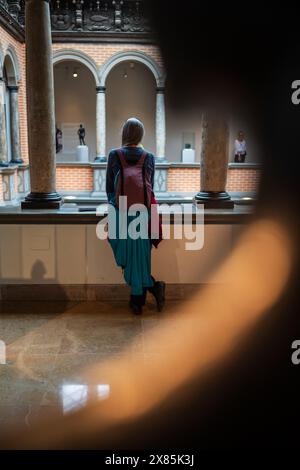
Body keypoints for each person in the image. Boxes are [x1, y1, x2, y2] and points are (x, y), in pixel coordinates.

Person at [106, 117, 165, 315]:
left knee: (128, 258)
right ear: (140, 135)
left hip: (122, 213)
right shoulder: (149, 157)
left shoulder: (114, 155)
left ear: (124, 133)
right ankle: (153, 288)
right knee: (141, 257)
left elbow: (109, 189)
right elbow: (151, 187)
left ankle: (137, 301)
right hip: (143, 214)